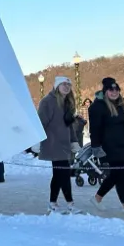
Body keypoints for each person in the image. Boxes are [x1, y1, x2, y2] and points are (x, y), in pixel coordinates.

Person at [89, 77, 124, 215]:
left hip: (122, 144)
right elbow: (94, 128)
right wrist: (96, 146)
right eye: (111, 89)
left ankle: (97, 198)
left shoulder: (123, 106)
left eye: (116, 89)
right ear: (105, 91)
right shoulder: (97, 107)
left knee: (116, 175)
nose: (114, 92)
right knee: (121, 174)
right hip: (108, 145)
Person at [38, 76, 81, 214]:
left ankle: (52, 202)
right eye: (63, 84)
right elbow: (41, 123)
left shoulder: (67, 103)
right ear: (57, 86)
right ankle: (70, 203)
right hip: (53, 143)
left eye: (68, 85)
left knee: (58, 174)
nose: (66, 87)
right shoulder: (47, 102)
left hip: (64, 144)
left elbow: (70, 127)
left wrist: (74, 141)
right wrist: (37, 141)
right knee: (64, 173)